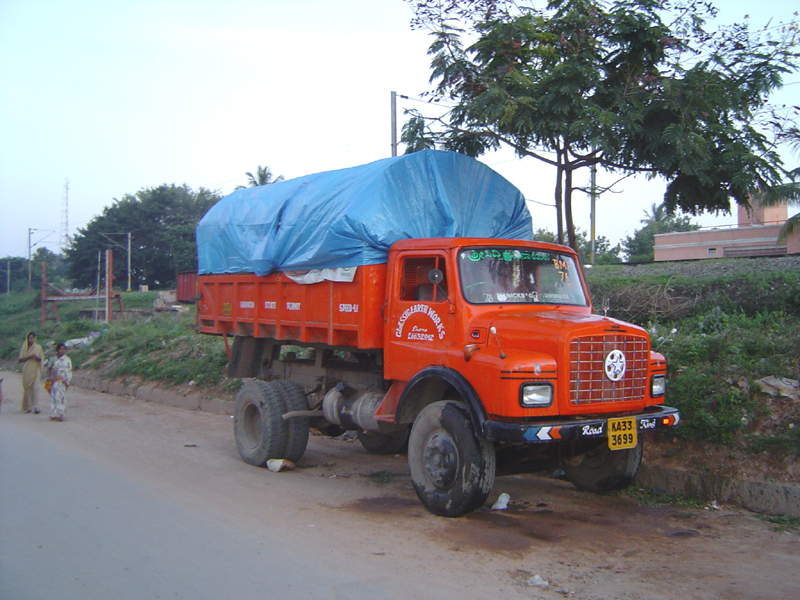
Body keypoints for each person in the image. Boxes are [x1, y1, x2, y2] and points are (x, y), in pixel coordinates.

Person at [18, 331, 44, 413]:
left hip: (36, 370)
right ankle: (29, 407)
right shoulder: (24, 348)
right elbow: (20, 359)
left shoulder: (38, 348)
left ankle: (35, 407)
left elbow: (42, 358)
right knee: (28, 389)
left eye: (32, 338)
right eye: (29, 338)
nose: (31, 339)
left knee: (36, 388)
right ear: (27, 339)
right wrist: (29, 357)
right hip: (27, 371)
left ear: (35, 338)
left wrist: (36, 358)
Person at [47, 343, 72, 421]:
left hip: (62, 382)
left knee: (60, 397)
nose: (62, 351)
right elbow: (49, 369)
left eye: (64, 349)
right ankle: (54, 414)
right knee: (53, 398)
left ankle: (60, 414)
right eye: (61, 349)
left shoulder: (67, 360)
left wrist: (67, 381)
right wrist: (49, 380)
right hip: (54, 381)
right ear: (57, 350)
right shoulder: (54, 359)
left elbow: (68, 371)